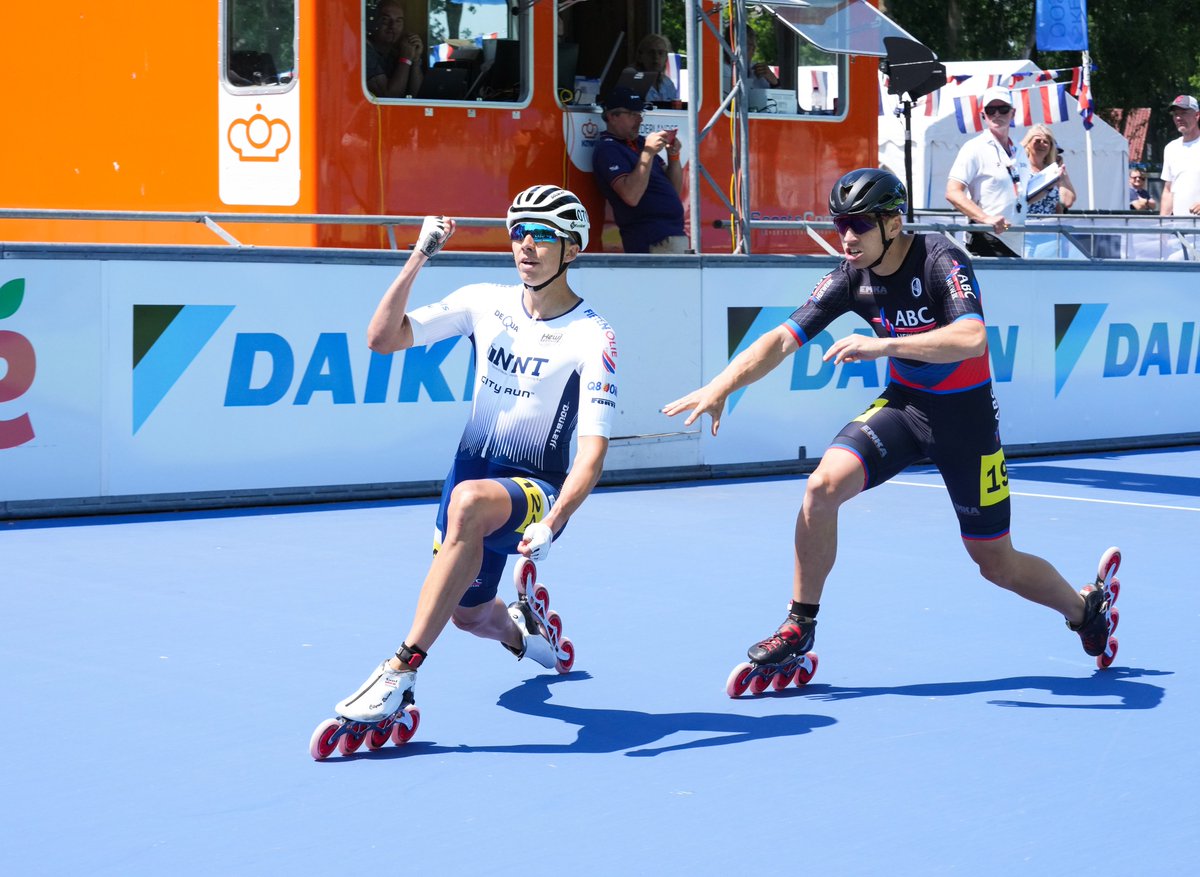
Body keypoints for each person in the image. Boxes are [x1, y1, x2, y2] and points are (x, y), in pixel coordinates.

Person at [663, 168, 1117, 680]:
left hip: (966, 423)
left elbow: (971, 339)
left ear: (893, 222)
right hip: (905, 408)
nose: (848, 237)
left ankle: (1083, 611)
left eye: (859, 225)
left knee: (996, 564)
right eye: (841, 224)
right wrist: (722, 384)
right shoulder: (847, 275)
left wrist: (885, 345)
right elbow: (782, 338)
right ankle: (799, 623)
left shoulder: (941, 257)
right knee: (821, 488)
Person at [332, 185, 617, 724]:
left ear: (572, 250)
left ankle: (400, 670)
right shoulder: (484, 301)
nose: (525, 246)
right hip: (471, 478)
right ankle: (523, 633)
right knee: (468, 615)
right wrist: (421, 254)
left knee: (468, 504)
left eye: (542, 236)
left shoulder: (591, 336)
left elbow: (593, 453)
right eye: (518, 233)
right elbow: (380, 338)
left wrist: (555, 523)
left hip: (536, 494)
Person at [591, 86, 687, 254]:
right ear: (612, 116)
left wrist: (673, 157)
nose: (639, 120)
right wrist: (648, 153)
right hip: (650, 238)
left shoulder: (641, 143)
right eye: (632, 114)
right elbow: (631, 196)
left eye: (640, 114)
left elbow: (674, 190)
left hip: (672, 234)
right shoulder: (608, 149)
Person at [945, 86, 1025, 257]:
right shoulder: (974, 147)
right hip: (987, 237)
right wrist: (985, 219)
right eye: (990, 110)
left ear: (1013, 113)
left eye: (1003, 109)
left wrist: (1048, 184)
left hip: (1017, 240)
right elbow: (952, 192)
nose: (997, 114)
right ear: (983, 115)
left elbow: (1021, 194)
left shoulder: (1019, 148)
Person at [365, 0, 424, 99]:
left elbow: (419, 95)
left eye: (398, 21)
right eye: (385, 20)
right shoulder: (365, 52)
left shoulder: (396, 52)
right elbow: (389, 96)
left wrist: (415, 60)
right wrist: (405, 59)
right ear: (374, 22)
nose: (392, 26)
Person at [1159, 95, 1200, 217]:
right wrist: (1162, 228)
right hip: (1180, 229)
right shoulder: (1171, 148)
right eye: (1175, 114)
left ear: (1197, 115)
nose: (1178, 118)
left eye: (1183, 113)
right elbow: (1168, 190)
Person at [1021, 124, 1075, 214]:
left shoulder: (1053, 171)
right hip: (1025, 224)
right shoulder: (1019, 168)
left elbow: (1067, 201)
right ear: (1028, 144)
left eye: (1045, 142)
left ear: (1050, 147)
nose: (1041, 144)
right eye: (1037, 141)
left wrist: (1061, 175)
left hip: (1050, 225)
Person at [629, 33, 678, 105]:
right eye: (651, 52)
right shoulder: (632, 81)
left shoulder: (668, 83)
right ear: (640, 56)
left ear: (666, 58)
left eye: (660, 53)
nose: (656, 57)